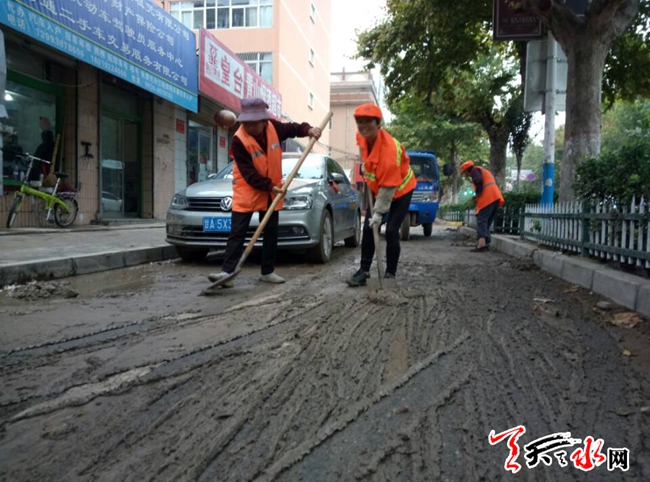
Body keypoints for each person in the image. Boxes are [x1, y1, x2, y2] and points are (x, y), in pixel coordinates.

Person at [208, 98, 322, 287]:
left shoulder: (273, 127)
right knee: (237, 233)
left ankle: (267, 272)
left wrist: (308, 130)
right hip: (248, 190)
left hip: (270, 192)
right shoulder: (238, 140)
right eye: (247, 123)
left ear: (264, 120)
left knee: (270, 232)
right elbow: (249, 174)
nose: (250, 127)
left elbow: (293, 128)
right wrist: (270, 185)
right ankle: (227, 272)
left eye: (255, 123)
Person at [346, 103, 417, 287]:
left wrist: (378, 214)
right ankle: (364, 271)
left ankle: (390, 274)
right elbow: (365, 153)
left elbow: (388, 189)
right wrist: (366, 164)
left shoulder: (389, 152)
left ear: (378, 123)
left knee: (392, 231)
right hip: (380, 188)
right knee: (369, 229)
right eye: (360, 121)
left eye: (368, 121)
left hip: (401, 190)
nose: (363, 126)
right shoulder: (361, 137)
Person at [460, 160, 504, 252]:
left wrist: (478, 195)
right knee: (487, 222)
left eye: (465, 173)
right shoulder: (483, 170)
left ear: (467, 170)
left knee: (482, 220)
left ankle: (481, 245)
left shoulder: (475, 171)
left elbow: (479, 180)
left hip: (488, 198)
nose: (466, 176)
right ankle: (486, 243)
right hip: (495, 197)